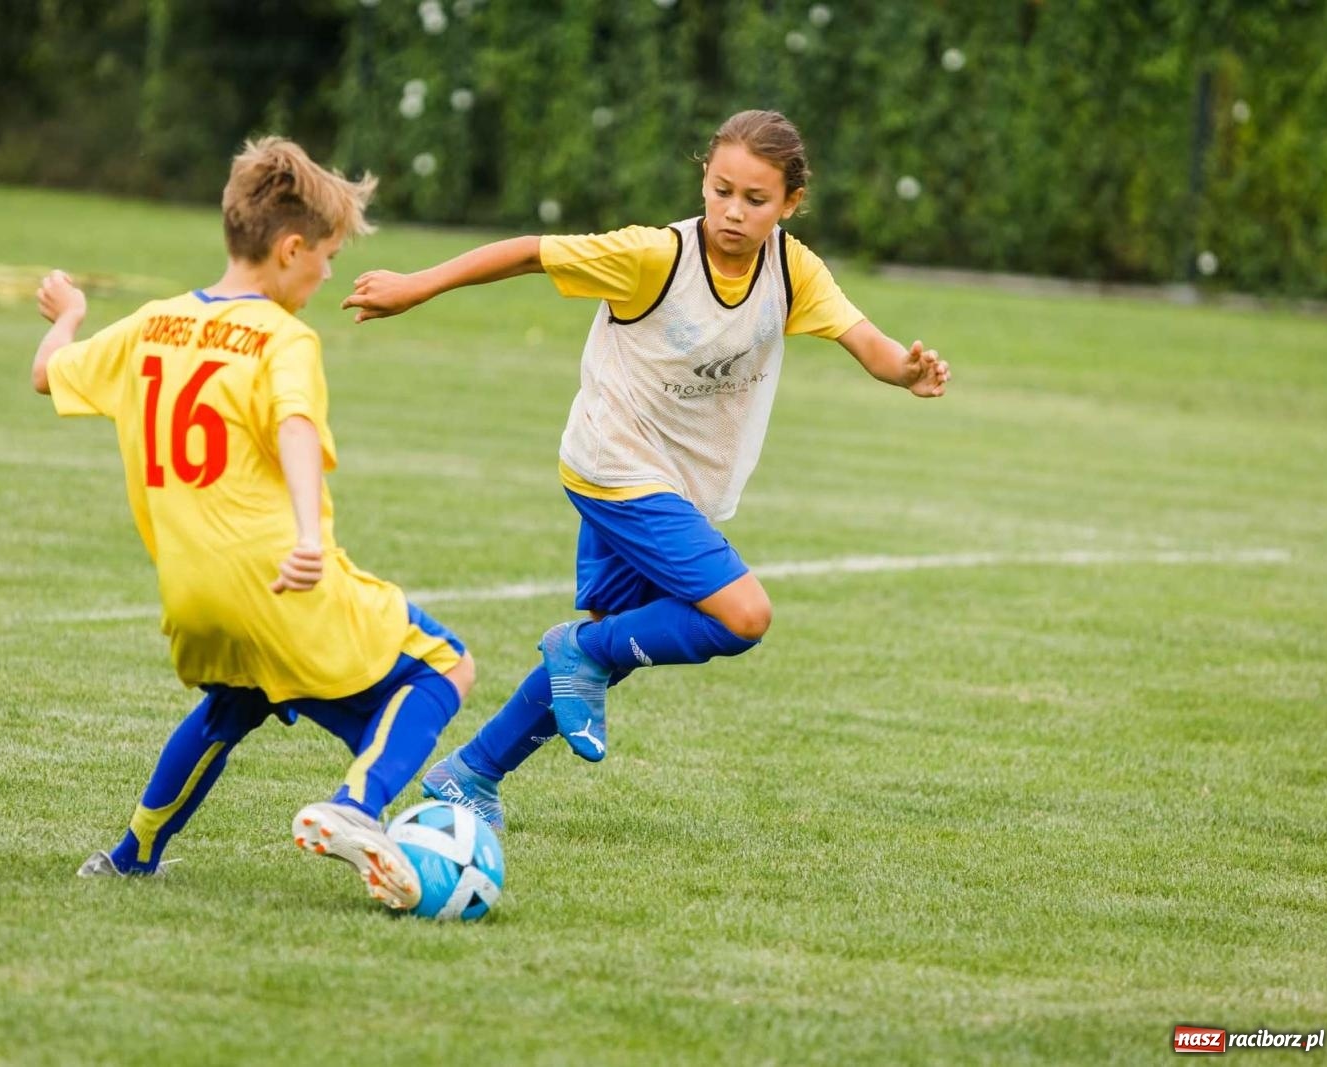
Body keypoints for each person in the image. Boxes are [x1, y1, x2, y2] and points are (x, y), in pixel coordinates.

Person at [342, 109, 948, 832]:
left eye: (756, 200)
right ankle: (577, 650)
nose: (733, 211)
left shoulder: (792, 269)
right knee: (741, 616)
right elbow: (534, 252)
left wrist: (906, 371)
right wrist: (418, 286)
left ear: (790, 204)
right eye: (722, 190)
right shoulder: (654, 257)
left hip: (677, 484)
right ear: (703, 178)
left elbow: (867, 341)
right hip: (615, 463)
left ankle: (471, 772)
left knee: (615, 639)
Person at [28, 136, 475, 909]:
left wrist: (68, 316)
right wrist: (309, 534)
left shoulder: (152, 325)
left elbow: (45, 373)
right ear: (291, 246)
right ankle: (357, 807)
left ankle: (131, 856)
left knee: (234, 701)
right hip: (280, 574)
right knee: (444, 665)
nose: (329, 272)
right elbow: (296, 424)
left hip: (193, 595)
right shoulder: (283, 337)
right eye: (328, 256)